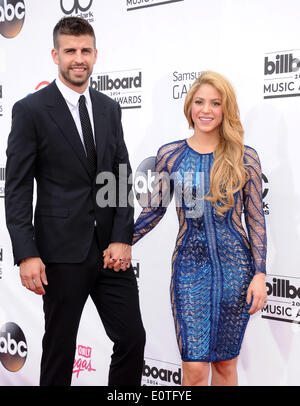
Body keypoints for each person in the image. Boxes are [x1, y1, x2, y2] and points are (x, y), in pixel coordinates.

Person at [5, 16, 145, 386]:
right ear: (55, 54)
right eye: (70, 51)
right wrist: (26, 252)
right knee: (59, 347)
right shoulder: (31, 110)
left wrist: (121, 236)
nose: (78, 58)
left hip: (110, 252)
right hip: (60, 252)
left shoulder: (109, 108)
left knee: (132, 337)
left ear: (95, 54)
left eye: (85, 50)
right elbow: (17, 188)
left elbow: (119, 175)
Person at [106, 71, 267, 386]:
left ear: (225, 109)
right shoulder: (171, 154)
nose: (206, 110)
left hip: (236, 270)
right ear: (189, 106)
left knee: (224, 364)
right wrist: (119, 241)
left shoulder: (245, 157)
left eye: (215, 103)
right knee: (193, 370)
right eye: (199, 102)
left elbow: (256, 218)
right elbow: (153, 211)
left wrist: (259, 273)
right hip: (189, 267)